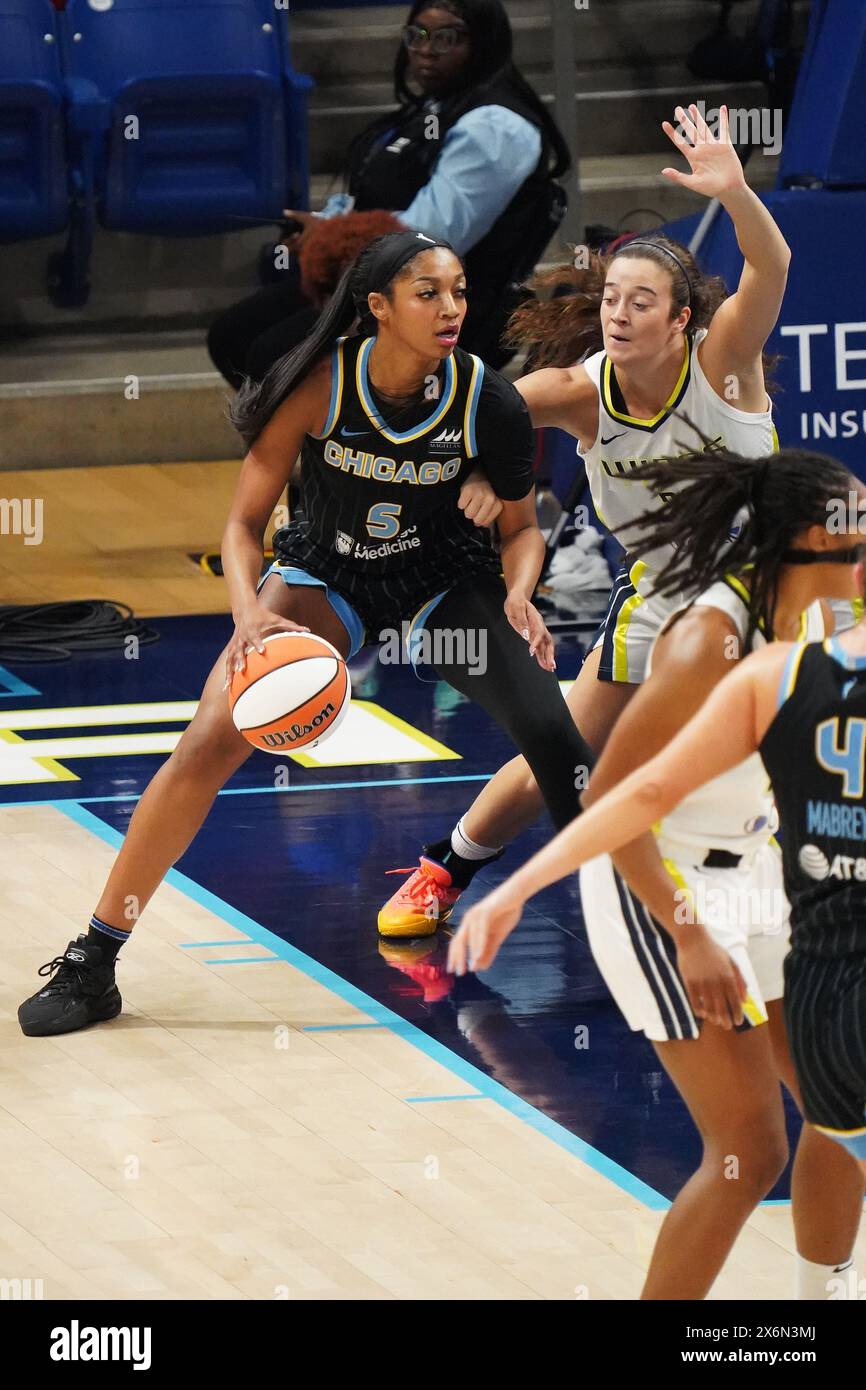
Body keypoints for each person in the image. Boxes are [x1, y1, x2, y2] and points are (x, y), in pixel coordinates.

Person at [18, 230, 592, 1039]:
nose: (452, 307)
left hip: (443, 582)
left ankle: (648, 938)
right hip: (328, 575)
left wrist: (521, 594)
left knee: (552, 735)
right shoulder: (321, 388)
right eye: (429, 292)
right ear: (379, 307)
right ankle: (96, 957)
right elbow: (244, 522)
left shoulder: (487, 399)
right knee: (208, 741)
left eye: (459, 291)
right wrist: (250, 611)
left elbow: (522, 529)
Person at [448, 447, 866, 1298]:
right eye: (856, 524)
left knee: (845, 1109)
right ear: (809, 538)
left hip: (759, 872)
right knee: (750, 1152)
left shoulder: (823, 615)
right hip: (658, 884)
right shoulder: (709, 638)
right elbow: (613, 798)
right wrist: (690, 933)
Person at [379, 100, 792, 936]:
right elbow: (464, 417)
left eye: (644, 302)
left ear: (683, 320)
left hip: (774, 595)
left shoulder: (724, 360)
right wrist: (476, 479)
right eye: (614, 298)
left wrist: (739, 192)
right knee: (557, 754)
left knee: (803, 756)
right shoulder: (577, 395)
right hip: (667, 601)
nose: (619, 312)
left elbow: (770, 264)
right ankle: (443, 868)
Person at [207, 0, 570, 386]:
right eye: (417, 36)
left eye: (449, 38)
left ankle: (339, 438)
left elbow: (428, 240)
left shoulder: (496, 126)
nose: (427, 50)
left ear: (485, 43)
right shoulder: (432, 108)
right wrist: (322, 227)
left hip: (437, 301)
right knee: (232, 337)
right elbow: (372, 199)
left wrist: (332, 240)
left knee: (272, 355)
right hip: (374, 280)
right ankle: (309, 439)